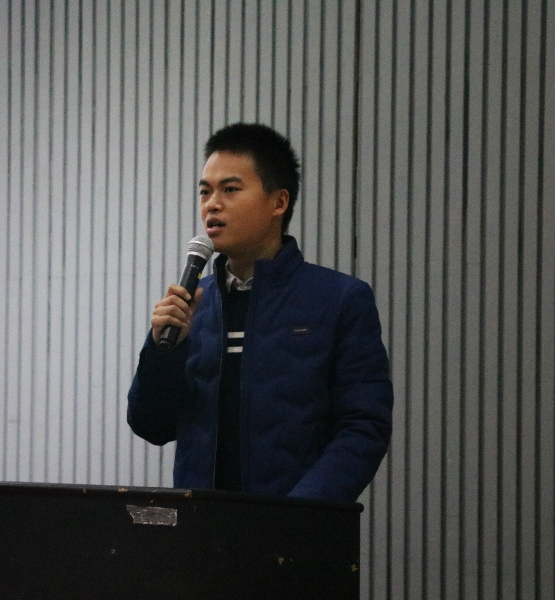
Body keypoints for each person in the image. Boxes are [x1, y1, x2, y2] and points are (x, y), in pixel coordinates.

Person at [127, 123, 393, 502]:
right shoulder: (192, 305)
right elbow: (152, 425)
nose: (212, 204)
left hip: (295, 528)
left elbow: (363, 426)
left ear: (278, 203)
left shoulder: (339, 299)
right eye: (205, 191)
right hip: (200, 528)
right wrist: (163, 351)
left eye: (230, 189)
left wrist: (298, 514)